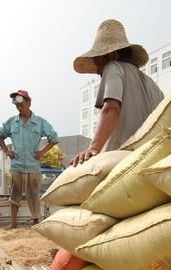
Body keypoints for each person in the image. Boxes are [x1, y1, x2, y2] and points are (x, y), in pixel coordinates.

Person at [70, 19, 164, 166]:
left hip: (121, 161)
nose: (98, 71)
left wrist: (93, 148)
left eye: (98, 62)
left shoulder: (113, 67)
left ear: (112, 55)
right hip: (149, 160)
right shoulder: (152, 85)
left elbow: (111, 109)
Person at [0, 90, 59, 229]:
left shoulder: (40, 123)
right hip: (17, 165)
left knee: (33, 195)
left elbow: (54, 138)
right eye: (17, 106)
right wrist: (7, 150)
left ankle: (36, 222)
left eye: (22, 105)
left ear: (29, 102)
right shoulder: (12, 122)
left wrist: (42, 152)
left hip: (33, 166)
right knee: (14, 194)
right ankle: (13, 223)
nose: (19, 108)